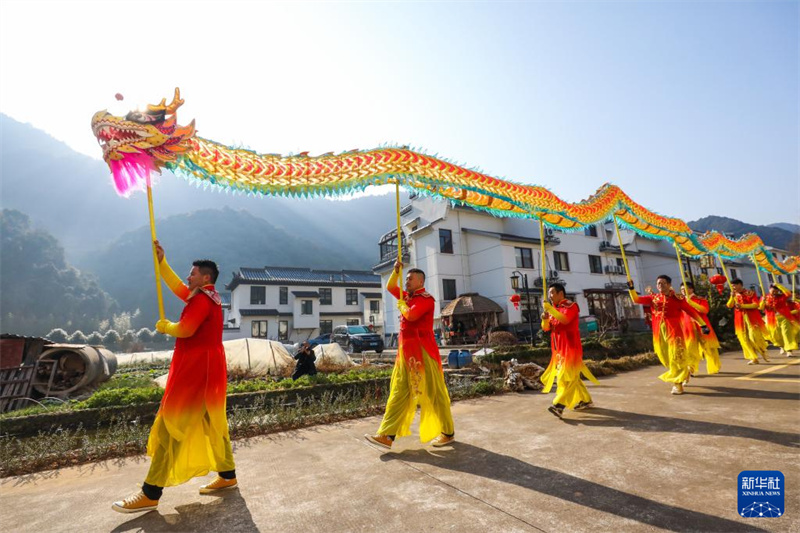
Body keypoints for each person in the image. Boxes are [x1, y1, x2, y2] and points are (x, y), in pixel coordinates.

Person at [112, 241, 236, 513]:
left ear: (205, 278)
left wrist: (166, 326)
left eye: (192, 273)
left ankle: (151, 492)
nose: (188, 277)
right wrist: (162, 262)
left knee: (172, 426)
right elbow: (177, 286)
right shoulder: (207, 296)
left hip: (196, 371)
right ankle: (228, 475)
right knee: (213, 421)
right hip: (209, 368)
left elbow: (186, 329)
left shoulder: (201, 300)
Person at [365, 261, 454, 449]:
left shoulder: (426, 299)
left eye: (410, 279)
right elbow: (391, 287)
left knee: (435, 393)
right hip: (405, 351)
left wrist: (402, 305)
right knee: (398, 392)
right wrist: (396, 271)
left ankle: (447, 432)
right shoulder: (407, 297)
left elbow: (411, 316)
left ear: (420, 281)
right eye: (405, 279)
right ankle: (387, 435)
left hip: (423, 351)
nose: (406, 282)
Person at [628, 275, 709, 395]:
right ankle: (684, 373)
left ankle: (678, 384)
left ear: (669, 284)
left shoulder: (678, 299)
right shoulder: (653, 298)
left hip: (674, 331)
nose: (660, 285)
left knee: (676, 357)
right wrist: (631, 288)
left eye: (663, 283)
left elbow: (691, 312)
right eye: (658, 283)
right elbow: (636, 300)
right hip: (659, 332)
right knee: (664, 357)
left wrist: (703, 325)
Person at [540, 283, 599, 418]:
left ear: (561, 293)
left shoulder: (571, 306)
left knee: (566, 378)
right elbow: (546, 328)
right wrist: (545, 319)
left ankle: (559, 405)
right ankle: (585, 400)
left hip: (571, 347)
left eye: (552, 293)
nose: (549, 296)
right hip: (559, 350)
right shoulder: (554, 309)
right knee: (571, 377)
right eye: (549, 293)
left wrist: (550, 309)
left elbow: (565, 320)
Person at [680, 282, 721, 376]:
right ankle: (692, 369)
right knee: (690, 349)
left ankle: (714, 366)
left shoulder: (700, 299)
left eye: (685, 289)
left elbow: (705, 310)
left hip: (703, 326)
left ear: (691, 289)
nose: (683, 291)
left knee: (709, 347)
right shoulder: (680, 301)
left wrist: (692, 303)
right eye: (682, 289)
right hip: (688, 327)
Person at [727, 279, 769, 364]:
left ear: (740, 284)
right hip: (740, 319)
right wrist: (731, 297)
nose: (733, 287)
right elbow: (729, 305)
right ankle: (753, 357)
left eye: (734, 285)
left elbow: (755, 305)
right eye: (732, 286)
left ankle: (761, 350)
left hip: (751, 318)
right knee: (744, 339)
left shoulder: (750, 293)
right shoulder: (734, 295)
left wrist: (742, 306)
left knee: (753, 337)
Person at [760, 283, 799, 357]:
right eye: (773, 290)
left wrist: (778, 285)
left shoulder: (782, 296)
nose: (774, 292)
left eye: (776, 291)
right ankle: (782, 346)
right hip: (771, 319)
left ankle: (789, 350)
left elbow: (788, 293)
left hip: (784, 318)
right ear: (769, 289)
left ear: (778, 291)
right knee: (775, 335)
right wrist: (763, 301)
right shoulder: (764, 297)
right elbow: (760, 308)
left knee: (786, 333)